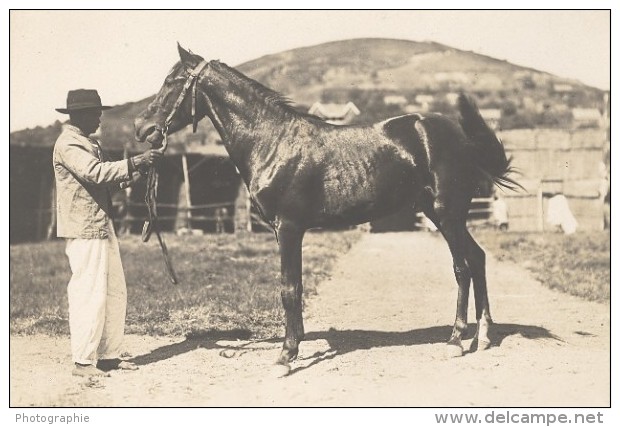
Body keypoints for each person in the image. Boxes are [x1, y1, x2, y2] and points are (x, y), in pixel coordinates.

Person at [53, 89, 163, 377]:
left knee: (114, 291)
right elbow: (96, 173)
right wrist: (136, 162)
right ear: (79, 115)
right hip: (85, 228)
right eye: (95, 112)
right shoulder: (68, 144)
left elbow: (106, 184)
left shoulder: (90, 144)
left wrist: (137, 172)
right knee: (89, 293)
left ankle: (109, 356)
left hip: (101, 225)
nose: (99, 117)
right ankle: (83, 361)